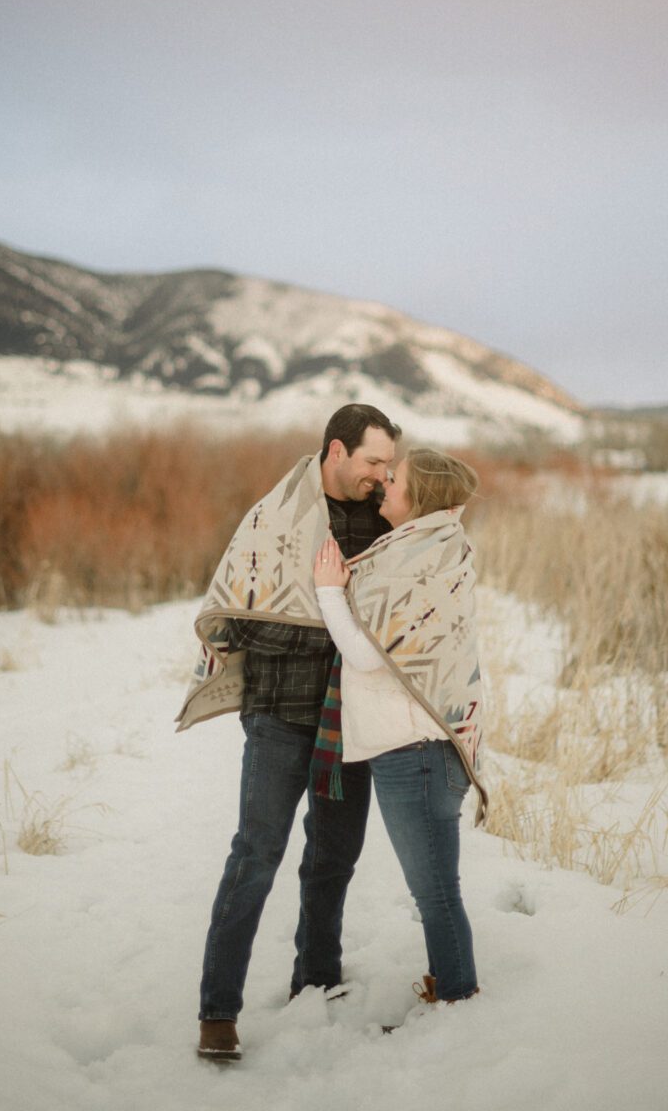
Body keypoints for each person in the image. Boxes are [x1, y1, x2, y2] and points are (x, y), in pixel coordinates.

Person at [179, 403, 399, 1063]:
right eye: (372, 461)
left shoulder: (387, 522)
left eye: (389, 464)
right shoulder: (273, 520)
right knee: (255, 856)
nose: (382, 474)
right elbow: (244, 624)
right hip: (279, 715)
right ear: (336, 452)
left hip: (350, 722)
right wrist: (330, 622)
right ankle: (218, 1011)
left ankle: (318, 979)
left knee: (334, 857)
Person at [311, 447, 490, 1009]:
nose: (385, 483)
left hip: (416, 750)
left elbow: (368, 655)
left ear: (421, 496)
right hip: (422, 747)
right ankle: (450, 990)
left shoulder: (416, 560)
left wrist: (328, 591)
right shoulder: (431, 549)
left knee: (434, 891)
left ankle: (457, 1000)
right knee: (435, 888)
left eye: (397, 479)